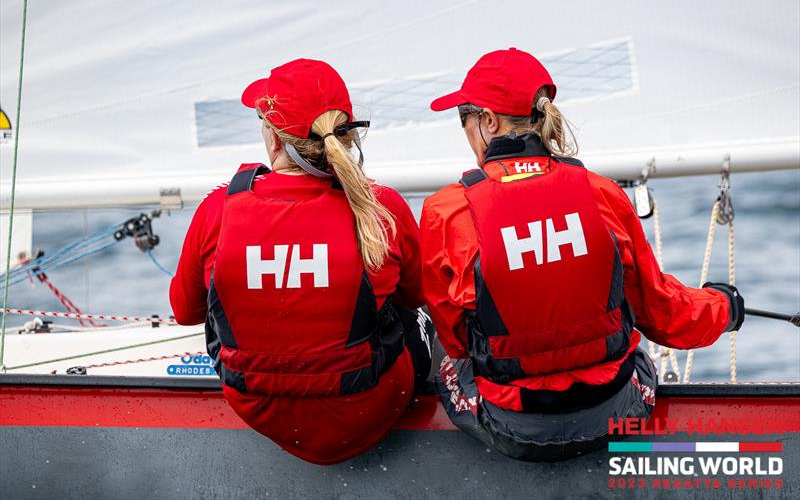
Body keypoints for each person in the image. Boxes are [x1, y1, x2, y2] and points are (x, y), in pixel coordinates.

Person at [420, 48, 745, 461]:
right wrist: (726, 307)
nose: (464, 130)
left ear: (488, 122)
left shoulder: (447, 210)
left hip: (513, 426)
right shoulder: (600, 192)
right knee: (632, 337)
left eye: (463, 118)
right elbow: (663, 315)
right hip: (614, 412)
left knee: (445, 353)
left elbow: (456, 340)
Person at [169, 58, 434, 465]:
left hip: (258, 409)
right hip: (371, 405)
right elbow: (416, 294)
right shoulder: (383, 209)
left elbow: (185, 312)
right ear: (344, 137)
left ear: (273, 140)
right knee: (413, 310)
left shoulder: (217, 212)